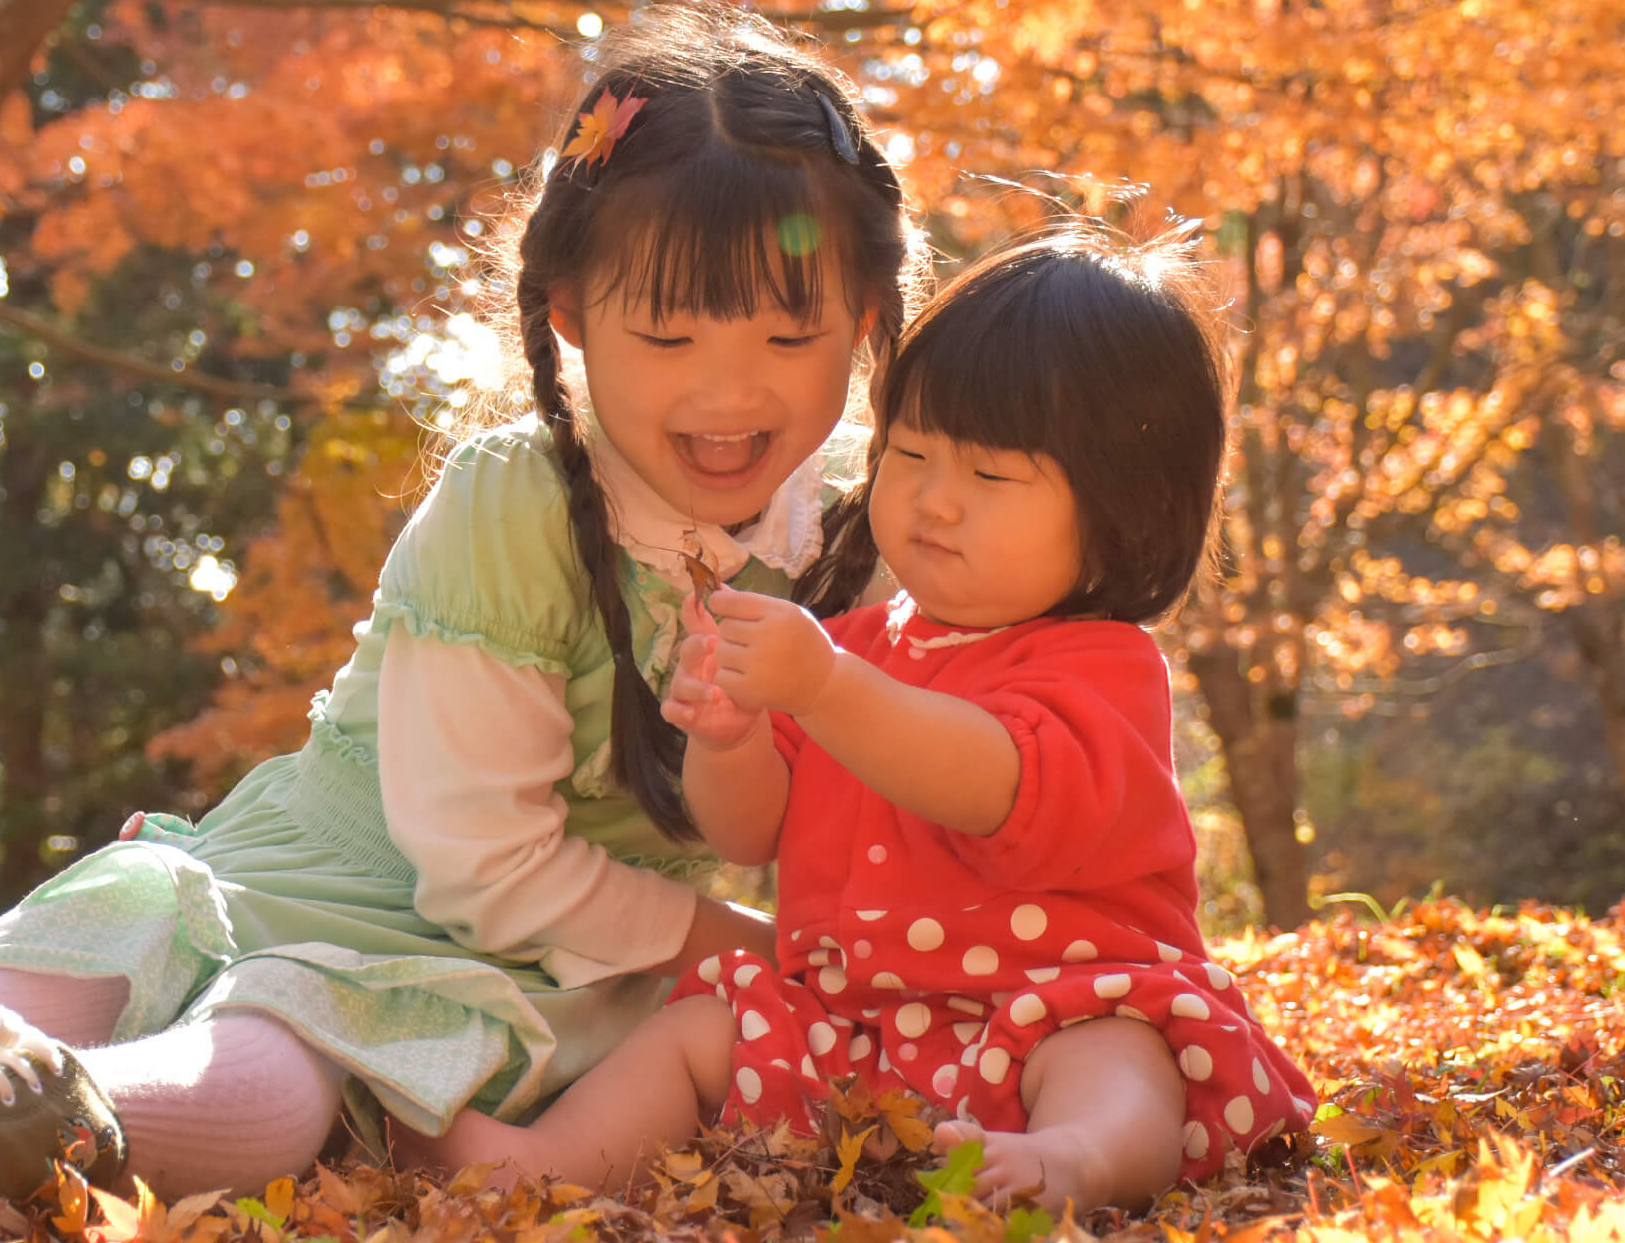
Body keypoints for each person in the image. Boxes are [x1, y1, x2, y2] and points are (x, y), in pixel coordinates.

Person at [0, 6, 923, 1243]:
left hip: (515, 971)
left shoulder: (861, 545)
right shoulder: (518, 505)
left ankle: (51, 1124)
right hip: (344, 863)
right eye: (667, 337)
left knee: (292, 1055)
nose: (728, 395)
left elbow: (851, 826)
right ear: (567, 317)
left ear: (865, 316)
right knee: (71, 958)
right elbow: (484, 859)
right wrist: (725, 941)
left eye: (788, 336)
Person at [399, 227, 1317, 1215]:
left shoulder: (1099, 663)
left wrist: (827, 688)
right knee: (704, 1028)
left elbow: (995, 785)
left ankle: (1070, 1163)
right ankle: (545, 1161)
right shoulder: (865, 644)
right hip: (858, 1041)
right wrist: (732, 737)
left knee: (1119, 1051)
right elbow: (751, 831)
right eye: (910, 453)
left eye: (991, 476)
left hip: (1044, 1009)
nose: (934, 500)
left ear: (1124, 513)